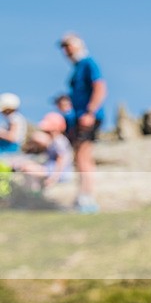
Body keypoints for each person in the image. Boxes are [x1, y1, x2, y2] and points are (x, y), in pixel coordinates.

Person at [59, 33, 106, 213]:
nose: (66, 51)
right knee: (79, 155)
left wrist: (90, 112)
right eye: (64, 47)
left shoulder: (88, 63)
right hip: (78, 117)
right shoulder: (77, 67)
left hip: (87, 116)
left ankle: (87, 197)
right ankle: (83, 195)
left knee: (83, 155)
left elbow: (100, 87)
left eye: (68, 46)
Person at [12, 112, 73, 191]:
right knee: (26, 165)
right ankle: (33, 191)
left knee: (29, 169)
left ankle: (33, 192)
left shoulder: (59, 142)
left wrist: (53, 178)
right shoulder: (54, 140)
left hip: (60, 173)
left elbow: (61, 161)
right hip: (51, 168)